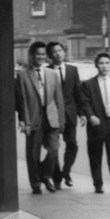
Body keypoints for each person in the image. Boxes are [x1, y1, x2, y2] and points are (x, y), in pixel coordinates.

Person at [14, 41, 64, 195]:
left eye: (43, 54)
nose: (41, 57)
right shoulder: (23, 76)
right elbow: (21, 101)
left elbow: (58, 99)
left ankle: (45, 174)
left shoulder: (52, 74)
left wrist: (61, 120)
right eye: (38, 54)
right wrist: (24, 121)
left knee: (54, 149)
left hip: (51, 117)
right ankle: (35, 184)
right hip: (33, 117)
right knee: (33, 154)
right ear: (31, 56)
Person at [79, 52, 110, 196]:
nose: (104, 66)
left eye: (107, 63)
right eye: (101, 63)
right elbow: (84, 102)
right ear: (96, 65)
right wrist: (90, 116)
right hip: (97, 125)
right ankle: (98, 184)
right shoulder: (88, 84)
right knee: (95, 156)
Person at [46, 42, 83, 188]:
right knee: (53, 147)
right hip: (53, 115)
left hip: (69, 113)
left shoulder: (73, 70)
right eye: (54, 52)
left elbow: (77, 93)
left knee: (72, 144)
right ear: (50, 55)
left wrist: (82, 113)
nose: (58, 53)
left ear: (64, 52)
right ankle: (56, 177)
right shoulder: (47, 71)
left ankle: (66, 172)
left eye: (60, 50)